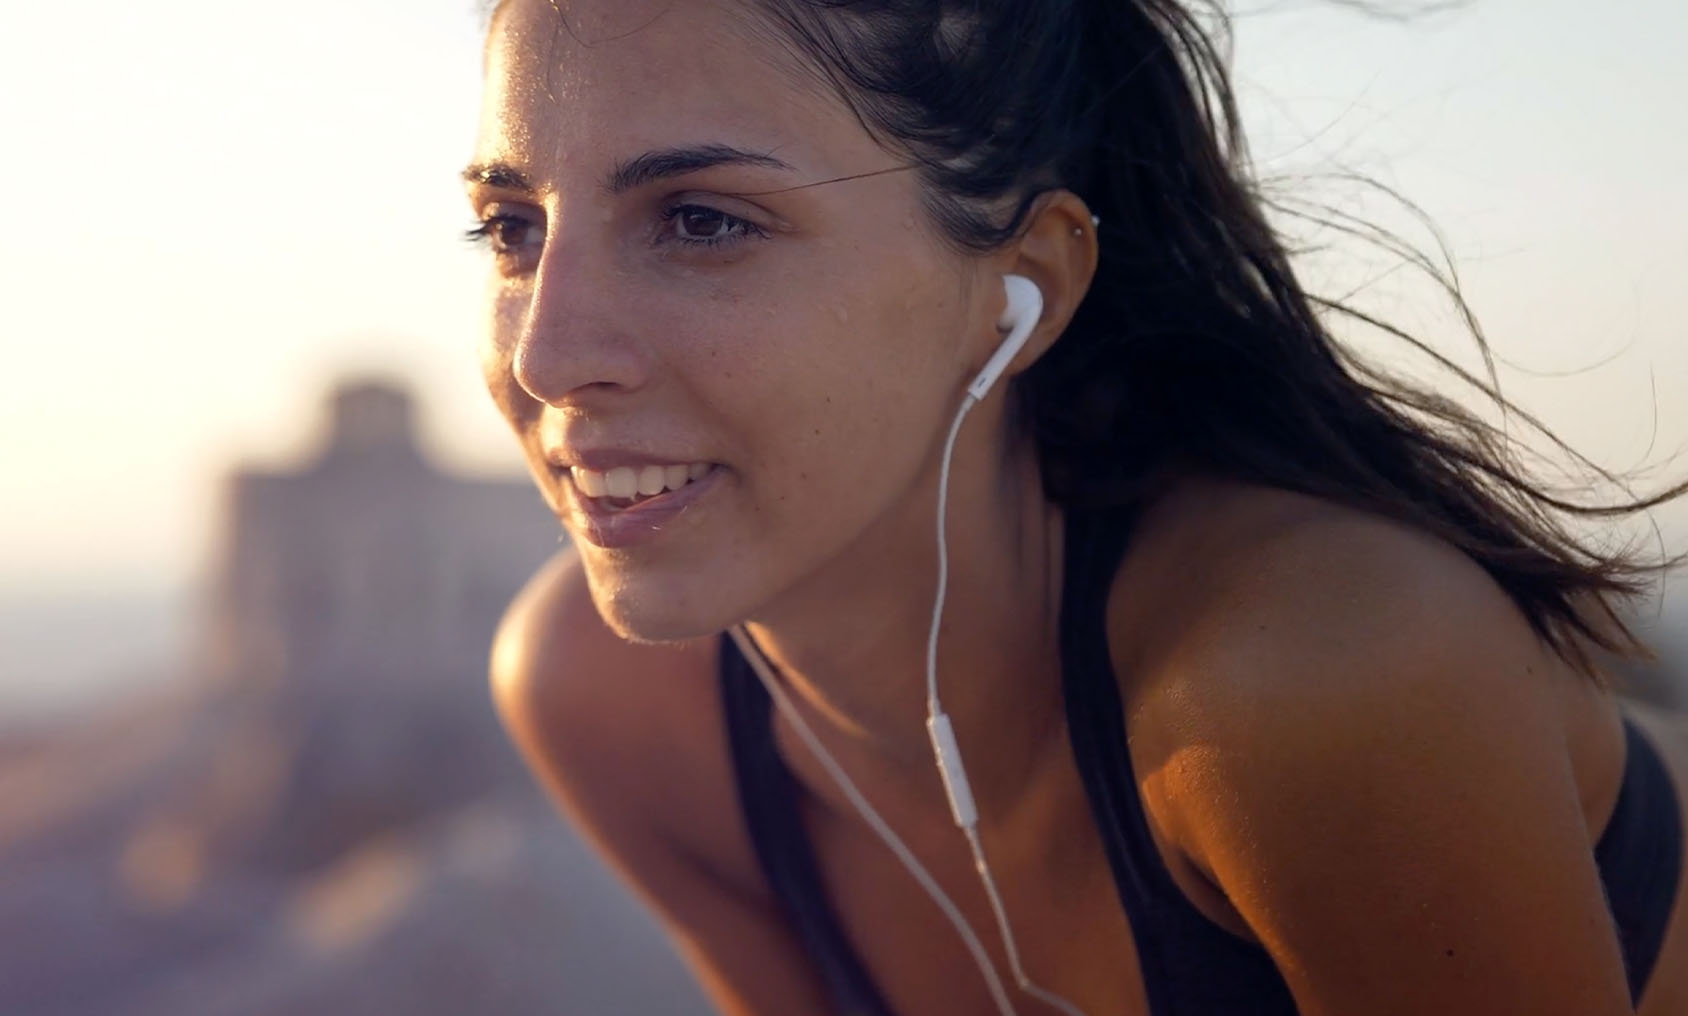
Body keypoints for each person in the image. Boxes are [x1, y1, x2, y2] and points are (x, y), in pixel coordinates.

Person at [470, 0, 1688, 1013]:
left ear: (1024, 288)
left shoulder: (1304, 687)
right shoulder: (607, 700)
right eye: (512, 227)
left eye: (702, 220)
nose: (548, 352)